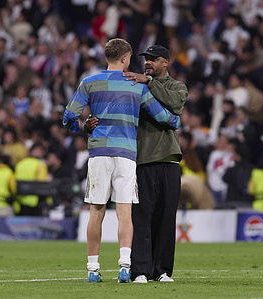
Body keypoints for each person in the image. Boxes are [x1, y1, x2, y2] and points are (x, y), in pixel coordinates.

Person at [64, 39, 181, 283]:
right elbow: (164, 117)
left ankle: (93, 269)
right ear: (126, 58)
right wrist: (176, 122)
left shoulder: (89, 82)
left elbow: (69, 115)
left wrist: (80, 126)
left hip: (98, 154)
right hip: (127, 154)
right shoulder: (136, 85)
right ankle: (125, 267)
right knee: (125, 212)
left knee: (95, 211)